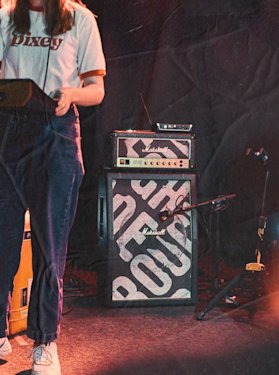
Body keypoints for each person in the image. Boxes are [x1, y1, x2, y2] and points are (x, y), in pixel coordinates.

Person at [0, 0, 106, 373]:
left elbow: (96, 89)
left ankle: (45, 343)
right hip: (9, 127)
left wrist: (73, 94)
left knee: (50, 248)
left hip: (57, 133)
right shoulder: (6, 14)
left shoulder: (80, 19)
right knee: (1, 240)